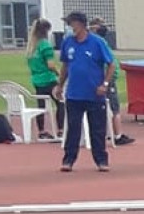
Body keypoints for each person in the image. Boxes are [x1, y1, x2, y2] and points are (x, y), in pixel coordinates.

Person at [57, 10, 116, 172]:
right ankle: (68, 160)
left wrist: (104, 84)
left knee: (97, 130)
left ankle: (101, 161)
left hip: (94, 95)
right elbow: (65, 66)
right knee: (73, 129)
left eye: (72, 23)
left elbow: (111, 64)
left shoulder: (97, 42)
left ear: (81, 24)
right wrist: (60, 85)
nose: (70, 27)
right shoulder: (68, 42)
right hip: (74, 94)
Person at [27, 16, 63, 137]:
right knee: (60, 102)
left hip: (36, 80)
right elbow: (50, 65)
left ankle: (41, 131)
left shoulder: (32, 47)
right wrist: (59, 73)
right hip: (48, 79)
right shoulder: (45, 45)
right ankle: (61, 129)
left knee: (41, 105)